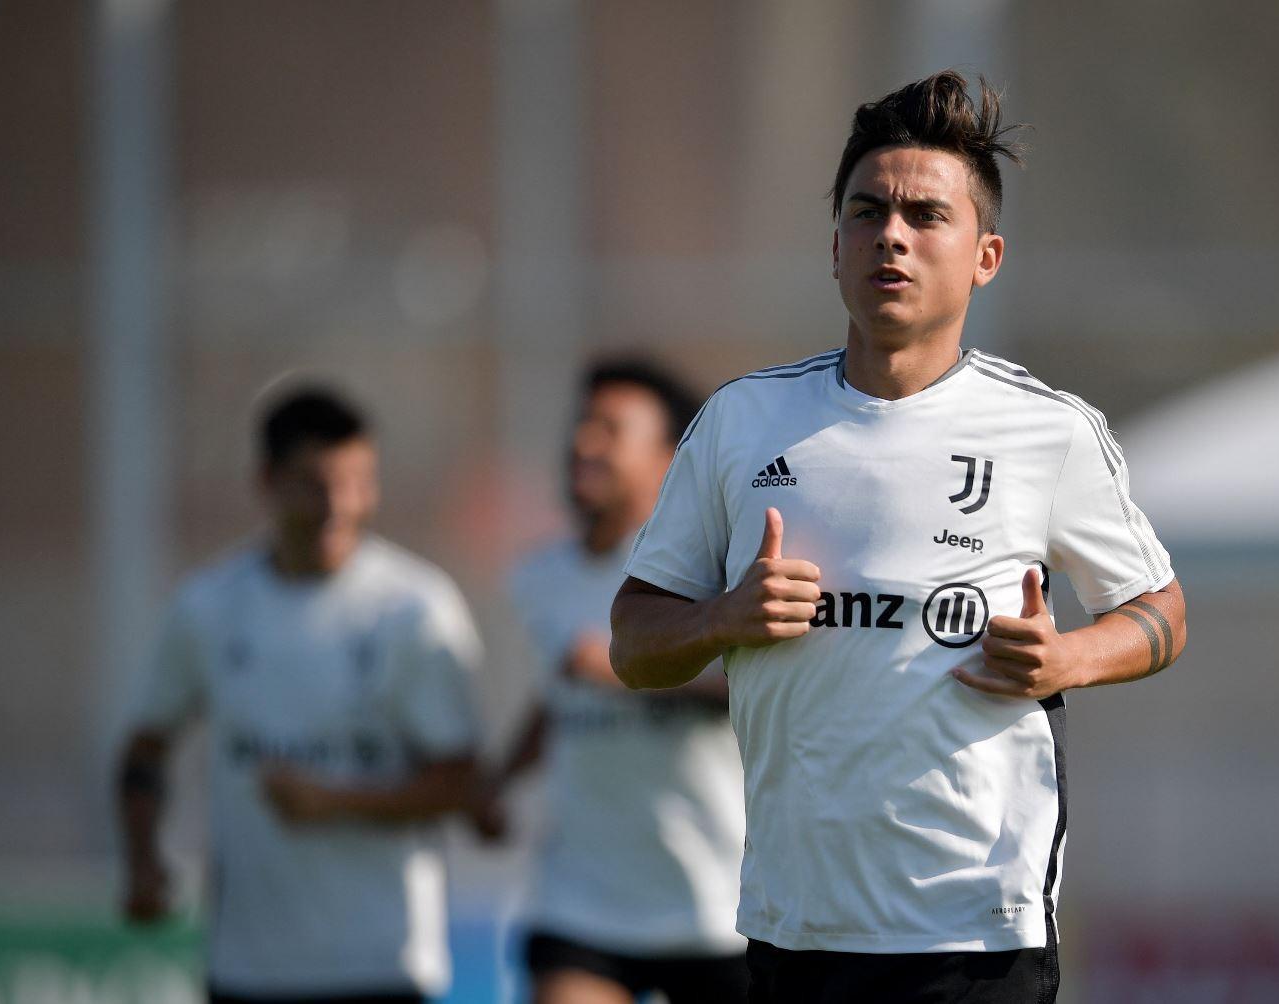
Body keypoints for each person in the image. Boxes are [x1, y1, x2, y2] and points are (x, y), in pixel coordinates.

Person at [609, 71, 1188, 1003]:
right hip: (796, 925)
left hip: (976, 926)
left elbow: (1161, 612)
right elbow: (634, 646)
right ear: (834, 244)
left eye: (926, 215)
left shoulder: (1048, 431)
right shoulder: (741, 421)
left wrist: (1066, 659)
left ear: (985, 255)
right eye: (867, 210)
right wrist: (721, 617)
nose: (892, 234)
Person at [116, 385, 485, 1004]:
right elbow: (144, 748)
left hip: (383, 964)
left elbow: (462, 781)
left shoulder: (416, 608)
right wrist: (142, 862)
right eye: (315, 483)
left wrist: (333, 801)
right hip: (248, 969)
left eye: (358, 482)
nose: (338, 506)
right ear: (266, 481)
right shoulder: (208, 607)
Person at [478, 360, 749, 1004]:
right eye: (581, 425)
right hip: (581, 907)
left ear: (668, 458)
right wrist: (496, 782)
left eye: (610, 429)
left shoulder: (714, 572)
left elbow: (751, 694)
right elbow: (557, 698)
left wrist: (628, 668)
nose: (583, 444)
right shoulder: (540, 578)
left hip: (715, 906)